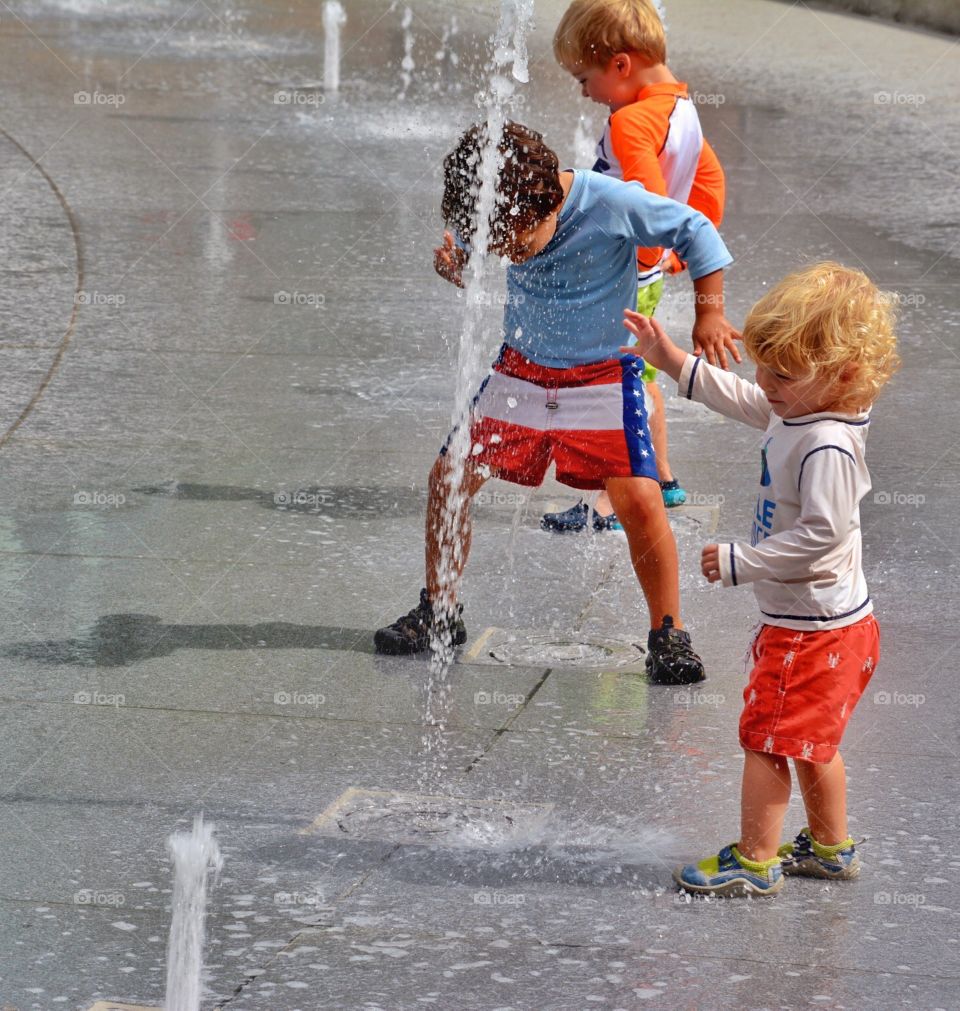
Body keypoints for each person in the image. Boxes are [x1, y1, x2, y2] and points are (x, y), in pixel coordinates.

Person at [374, 120, 734, 685]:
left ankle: (669, 632)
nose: (508, 253)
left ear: (545, 204)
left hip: (599, 375)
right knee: (447, 478)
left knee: (639, 500)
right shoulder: (504, 208)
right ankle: (440, 610)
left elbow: (696, 230)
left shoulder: (610, 202)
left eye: (513, 243)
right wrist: (459, 262)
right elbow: (479, 239)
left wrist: (709, 311)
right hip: (521, 368)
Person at [621, 262, 900, 896]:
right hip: (835, 626)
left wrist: (745, 561)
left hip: (810, 631)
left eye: (783, 373)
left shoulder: (825, 443)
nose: (765, 382)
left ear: (844, 374)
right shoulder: (804, 408)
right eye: (764, 365)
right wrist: (669, 357)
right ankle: (830, 848)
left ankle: (755, 860)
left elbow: (824, 538)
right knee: (811, 742)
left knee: (766, 740)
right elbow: (746, 399)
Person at [542, 0, 735, 533]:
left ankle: (613, 498)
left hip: (621, 272)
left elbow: (648, 196)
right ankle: (664, 477)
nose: (584, 92)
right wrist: (679, 249)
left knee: (611, 381)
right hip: (645, 272)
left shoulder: (630, 121)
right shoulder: (683, 109)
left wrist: (651, 252)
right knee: (639, 372)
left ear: (621, 65)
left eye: (585, 78)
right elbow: (708, 180)